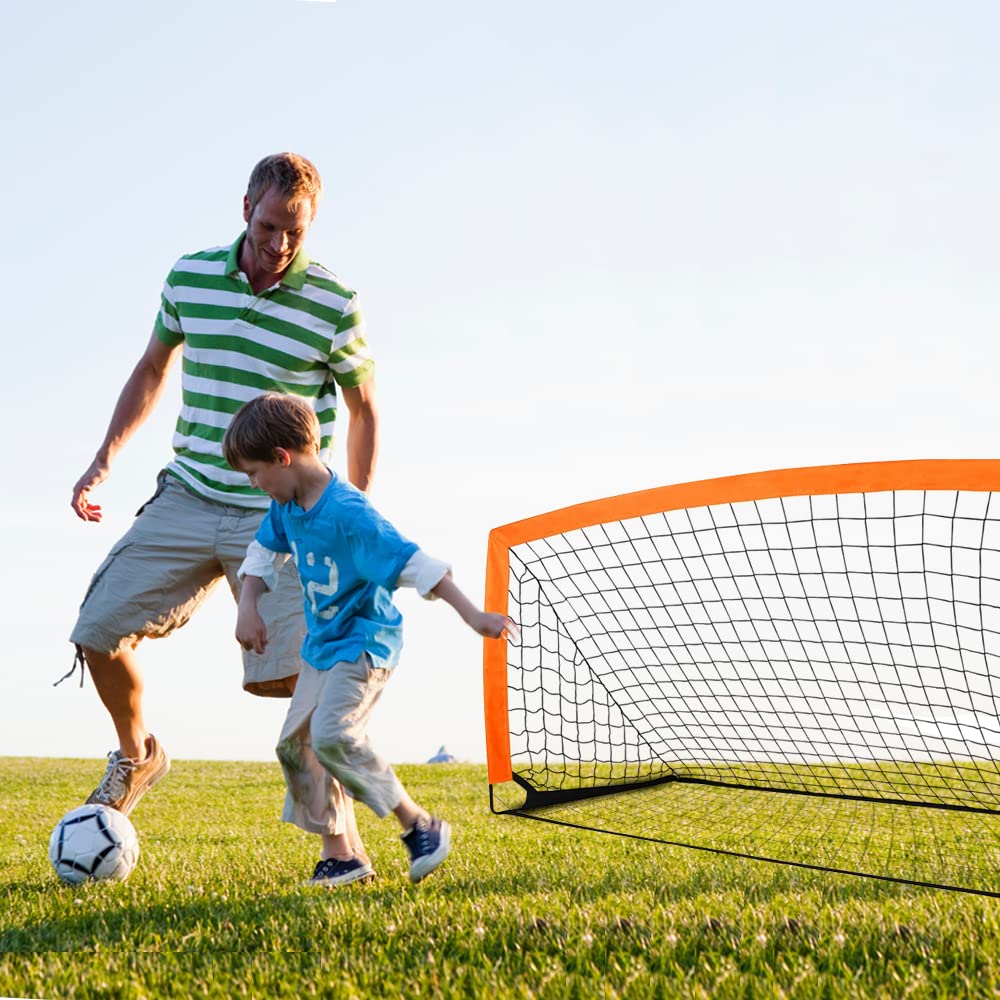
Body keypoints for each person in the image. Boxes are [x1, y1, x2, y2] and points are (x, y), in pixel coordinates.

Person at [68, 153, 375, 865]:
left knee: (303, 674)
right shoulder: (190, 277)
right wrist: (105, 458)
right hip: (188, 492)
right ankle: (137, 755)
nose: (279, 246)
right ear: (245, 208)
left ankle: (341, 849)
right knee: (95, 631)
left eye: (295, 233)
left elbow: (363, 411)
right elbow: (152, 368)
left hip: (280, 512)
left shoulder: (334, 302)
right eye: (269, 227)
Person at [223, 393, 516, 886]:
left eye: (255, 473)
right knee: (295, 746)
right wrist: (247, 606)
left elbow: (413, 563)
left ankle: (419, 823)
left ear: (282, 457)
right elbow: (261, 553)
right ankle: (342, 856)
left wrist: (475, 617)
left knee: (334, 735)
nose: (255, 484)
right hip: (321, 647)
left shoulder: (350, 513)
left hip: (364, 644)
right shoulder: (287, 506)